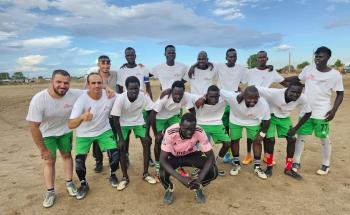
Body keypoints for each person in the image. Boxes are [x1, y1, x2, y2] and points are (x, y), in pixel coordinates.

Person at [26, 69, 81, 208]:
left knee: (67, 156)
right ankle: (50, 192)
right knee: (50, 161)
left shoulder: (74, 94)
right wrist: (42, 149)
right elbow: (33, 126)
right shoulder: (39, 99)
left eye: (66, 83)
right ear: (51, 82)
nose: (63, 86)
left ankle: (69, 183)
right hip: (47, 134)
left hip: (65, 131)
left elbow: (93, 89)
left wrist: (107, 88)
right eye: (59, 82)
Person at [287, 46, 344, 175]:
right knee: (301, 136)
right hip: (305, 110)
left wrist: (334, 110)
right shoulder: (308, 69)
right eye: (316, 56)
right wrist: (279, 78)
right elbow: (298, 78)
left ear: (328, 57)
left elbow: (340, 94)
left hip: (322, 112)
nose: (317, 58)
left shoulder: (335, 75)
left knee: (324, 138)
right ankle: (296, 162)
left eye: (320, 56)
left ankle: (326, 164)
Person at [68, 73, 122, 200]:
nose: (96, 86)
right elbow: (70, 124)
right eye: (93, 83)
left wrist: (144, 94)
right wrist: (82, 117)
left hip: (104, 130)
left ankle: (113, 175)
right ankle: (83, 184)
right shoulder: (82, 100)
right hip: (84, 134)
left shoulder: (109, 95)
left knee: (115, 155)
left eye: (99, 83)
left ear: (102, 83)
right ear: (88, 85)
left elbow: (124, 97)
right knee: (79, 163)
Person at [159, 113, 218, 205]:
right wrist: (182, 179)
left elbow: (211, 158)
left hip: (192, 154)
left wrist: (199, 179)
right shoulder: (170, 132)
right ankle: (169, 188)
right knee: (162, 173)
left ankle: (198, 186)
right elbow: (162, 160)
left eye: (192, 129)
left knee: (213, 170)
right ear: (180, 125)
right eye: (186, 129)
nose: (189, 132)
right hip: (174, 156)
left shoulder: (199, 131)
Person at [257, 82, 312, 179]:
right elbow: (254, 88)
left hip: (285, 118)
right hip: (270, 116)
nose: (295, 95)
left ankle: (288, 168)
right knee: (270, 140)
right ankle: (269, 166)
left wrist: (295, 128)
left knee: (292, 139)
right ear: (287, 89)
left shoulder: (302, 98)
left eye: (298, 93)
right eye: (293, 91)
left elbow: (308, 113)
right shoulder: (274, 92)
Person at [242, 50, 288, 166]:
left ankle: (267, 156)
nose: (262, 59)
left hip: (266, 106)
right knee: (251, 132)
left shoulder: (272, 72)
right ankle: (248, 155)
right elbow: (239, 81)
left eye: (264, 57)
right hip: (251, 105)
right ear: (256, 59)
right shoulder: (250, 71)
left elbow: (285, 83)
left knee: (266, 132)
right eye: (260, 57)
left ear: (267, 59)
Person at [111, 76, 157, 188]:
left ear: (139, 88)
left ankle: (146, 173)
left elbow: (151, 113)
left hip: (138, 122)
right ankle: (125, 177)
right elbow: (115, 118)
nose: (134, 91)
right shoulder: (121, 98)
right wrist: (121, 139)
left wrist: (147, 134)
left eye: (136, 88)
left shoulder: (144, 97)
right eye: (131, 89)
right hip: (123, 123)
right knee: (121, 147)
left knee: (147, 143)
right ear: (126, 88)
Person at [220, 86, 270, 179]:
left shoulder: (263, 104)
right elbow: (219, 90)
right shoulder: (233, 97)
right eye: (249, 98)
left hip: (253, 121)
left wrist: (262, 134)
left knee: (257, 141)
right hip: (235, 120)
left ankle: (257, 167)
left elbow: (267, 121)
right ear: (244, 96)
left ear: (258, 97)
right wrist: (203, 98)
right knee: (235, 140)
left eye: (255, 98)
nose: (252, 101)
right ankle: (236, 164)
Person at [117, 47, 154, 167]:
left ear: (135, 55)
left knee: (146, 135)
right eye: (128, 55)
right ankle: (126, 156)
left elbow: (148, 86)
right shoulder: (121, 71)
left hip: (142, 104)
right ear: (125, 57)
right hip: (127, 105)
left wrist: (150, 100)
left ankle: (148, 158)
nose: (130, 57)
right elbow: (120, 88)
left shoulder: (143, 69)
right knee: (125, 136)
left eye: (132, 55)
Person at [150, 81, 195, 180]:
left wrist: (193, 126)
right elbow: (152, 114)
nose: (178, 97)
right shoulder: (164, 98)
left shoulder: (186, 97)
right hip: (159, 117)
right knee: (158, 141)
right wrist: (156, 133)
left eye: (180, 94)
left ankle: (177, 166)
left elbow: (192, 111)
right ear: (171, 92)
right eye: (175, 94)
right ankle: (158, 168)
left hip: (173, 116)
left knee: (177, 140)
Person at [84, 55, 118, 173]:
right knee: (97, 139)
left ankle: (112, 160)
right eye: (102, 63)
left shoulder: (115, 74)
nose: (105, 66)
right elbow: (87, 92)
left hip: (113, 113)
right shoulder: (93, 77)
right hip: (98, 114)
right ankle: (98, 161)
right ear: (98, 64)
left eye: (107, 63)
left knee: (112, 138)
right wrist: (105, 86)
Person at [215, 48, 248, 163]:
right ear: (226, 57)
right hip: (222, 102)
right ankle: (227, 154)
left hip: (234, 102)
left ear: (236, 57)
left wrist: (237, 88)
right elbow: (205, 65)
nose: (232, 58)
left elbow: (243, 81)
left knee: (234, 129)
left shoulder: (241, 69)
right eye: (230, 56)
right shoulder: (219, 66)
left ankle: (233, 156)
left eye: (234, 56)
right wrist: (194, 66)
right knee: (225, 129)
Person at [192, 85, 231, 176]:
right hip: (201, 124)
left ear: (219, 96)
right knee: (199, 146)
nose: (214, 99)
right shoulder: (199, 100)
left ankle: (214, 164)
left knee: (227, 143)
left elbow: (235, 96)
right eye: (211, 97)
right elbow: (193, 103)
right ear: (207, 95)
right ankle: (200, 167)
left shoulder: (223, 100)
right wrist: (203, 98)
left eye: (216, 97)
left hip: (217, 123)